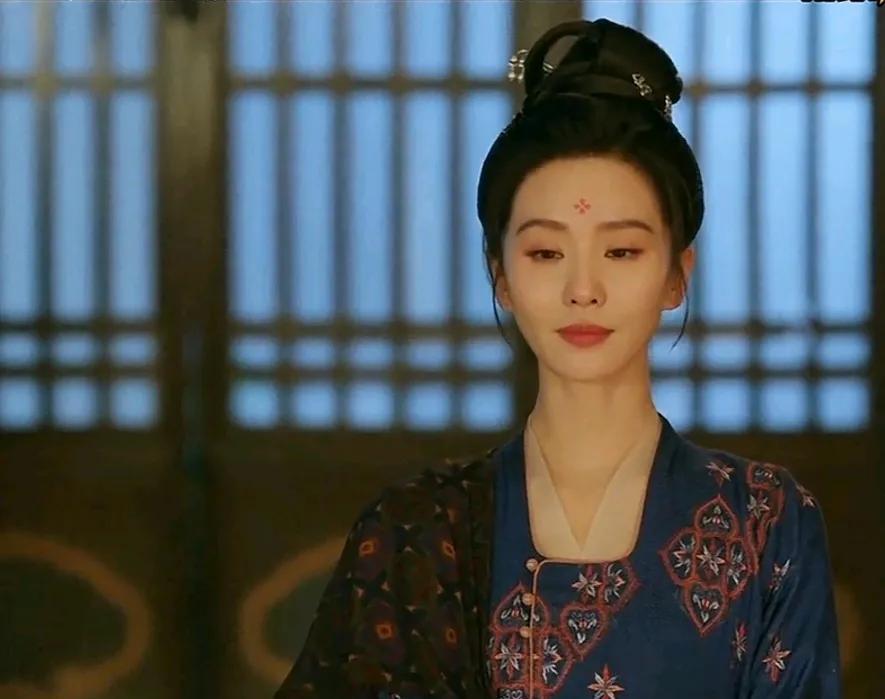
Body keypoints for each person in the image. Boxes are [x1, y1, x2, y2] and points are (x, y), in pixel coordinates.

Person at [274, 18, 842, 699]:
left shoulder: (765, 519)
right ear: (502, 277)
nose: (583, 288)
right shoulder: (417, 529)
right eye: (545, 252)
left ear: (676, 275)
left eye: (621, 250)